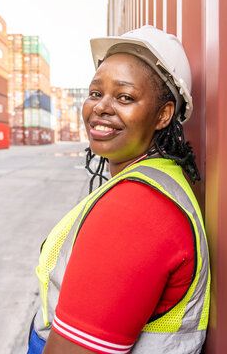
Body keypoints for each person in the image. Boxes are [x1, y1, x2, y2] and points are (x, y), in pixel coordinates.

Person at [27, 25, 210, 354]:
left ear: (163, 115)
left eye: (124, 97)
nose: (100, 107)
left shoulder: (138, 210)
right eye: (96, 93)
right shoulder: (157, 179)